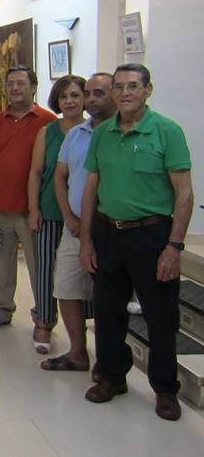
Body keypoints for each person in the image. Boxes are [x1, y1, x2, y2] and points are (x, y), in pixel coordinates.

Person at [79, 63, 193, 421]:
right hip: (108, 232)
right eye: (119, 87)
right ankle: (113, 376)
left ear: (148, 90)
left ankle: (165, 389)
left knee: (161, 318)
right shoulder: (103, 134)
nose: (125, 92)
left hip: (152, 234)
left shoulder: (167, 131)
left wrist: (174, 247)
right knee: (108, 312)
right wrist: (86, 239)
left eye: (133, 86)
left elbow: (184, 192)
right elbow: (91, 187)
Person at [42, 73, 115, 373]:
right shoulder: (75, 135)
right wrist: (70, 217)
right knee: (67, 288)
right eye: (89, 92)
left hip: (111, 227)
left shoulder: (119, 132)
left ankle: (109, 360)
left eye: (99, 92)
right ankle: (77, 353)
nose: (90, 98)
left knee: (109, 295)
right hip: (74, 228)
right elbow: (60, 178)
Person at [0, 65, 57, 331]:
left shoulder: (48, 121)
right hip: (1, 207)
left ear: (33, 87)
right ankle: (1, 310)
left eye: (21, 83)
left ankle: (43, 316)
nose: (14, 88)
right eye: (10, 83)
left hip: (34, 210)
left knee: (40, 267)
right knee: (0, 265)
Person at [27, 75, 87, 353]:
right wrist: (33, 208)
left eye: (75, 95)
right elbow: (36, 172)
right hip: (51, 210)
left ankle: (85, 326)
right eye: (64, 97)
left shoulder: (97, 131)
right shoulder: (48, 132)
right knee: (45, 270)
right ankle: (44, 321)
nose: (70, 101)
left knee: (87, 269)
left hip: (86, 214)